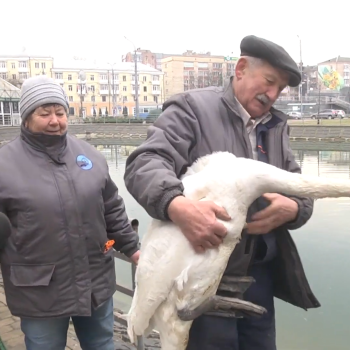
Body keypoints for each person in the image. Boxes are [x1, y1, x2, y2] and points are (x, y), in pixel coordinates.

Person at [124, 35, 320, 350]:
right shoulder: (192, 109)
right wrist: (178, 206)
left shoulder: (274, 127)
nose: (273, 94)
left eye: (280, 89)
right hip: (201, 281)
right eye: (269, 82)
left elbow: (299, 183)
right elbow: (145, 164)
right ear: (241, 68)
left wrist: (296, 208)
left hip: (258, 278)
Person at [0, 75, 141, 350]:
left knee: (102, 344)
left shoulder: (90, 156)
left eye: (60, 112)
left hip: (94, 281)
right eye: (45, 113)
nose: (55, 120)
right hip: (39, 290)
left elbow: (111, 208)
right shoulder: (2, 165)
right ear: (26, 117)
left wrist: (133, 248)